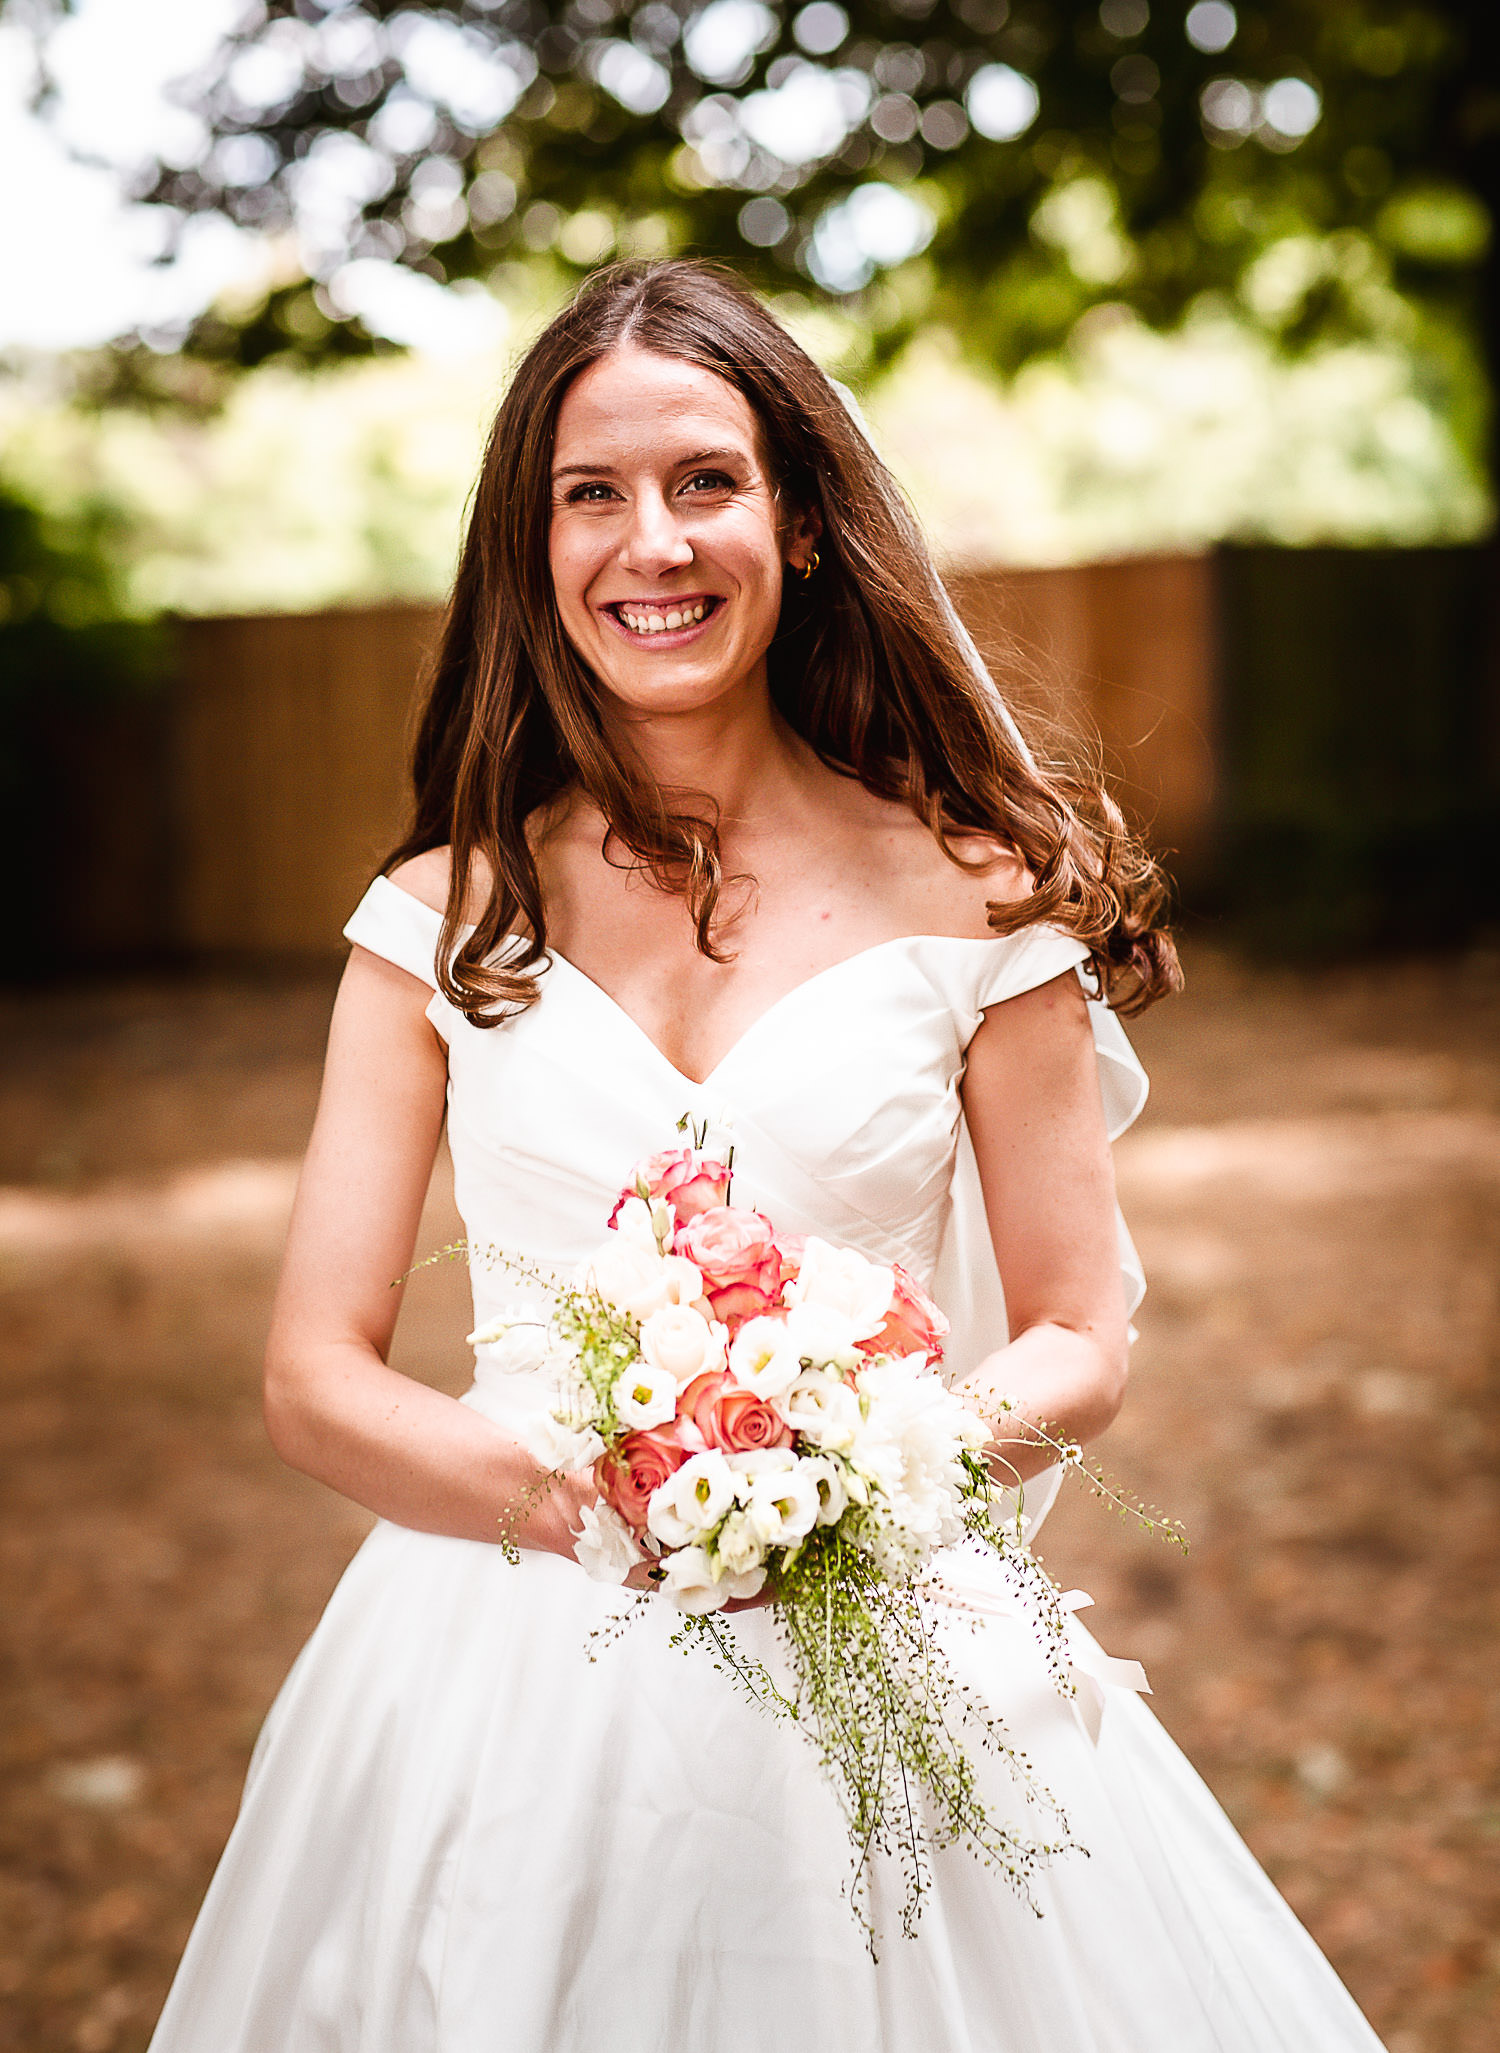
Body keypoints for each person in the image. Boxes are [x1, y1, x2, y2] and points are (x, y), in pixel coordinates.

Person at [147, 261, 1386, 2052]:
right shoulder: (439, 923)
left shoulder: (980, 893)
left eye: (705, 481)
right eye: (593, 494)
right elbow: (312, 1374)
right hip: (505, 1658)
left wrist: (859, 1476)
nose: (652, 542)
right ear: (535, 546)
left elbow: (1077, 1331)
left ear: (798, 520)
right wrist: (583, 1510)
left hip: (884, 1620)